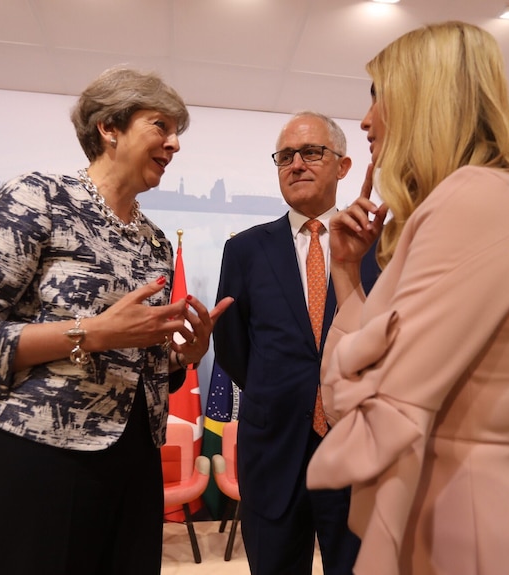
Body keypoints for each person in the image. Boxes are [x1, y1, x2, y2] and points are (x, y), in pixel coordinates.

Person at [0, 67, 232, 575]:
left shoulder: (152, 239)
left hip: (133, 463)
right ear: (109, 127)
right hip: (38, 459)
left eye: (178, 133)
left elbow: (132, 358)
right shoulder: (37, 197)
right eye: (161, 126)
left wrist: (180, 357)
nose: (175, 144)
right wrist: (92, 331)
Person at [305, 21, 509, 575]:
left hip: (461, 524)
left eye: (378, 95)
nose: (366, 119)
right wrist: (350, 273)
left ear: (425, 97)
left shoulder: (478, 197)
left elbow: (372, 402)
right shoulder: (472, 198)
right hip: (441, 510)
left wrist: (353, 369)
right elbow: (363, 382)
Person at [213, 111, 376, 575]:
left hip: (356, 453)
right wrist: (284, 390)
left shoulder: (377, 246)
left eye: (311, 153)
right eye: (285, 156)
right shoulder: (244, 250)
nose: (296, 164)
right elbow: (233, 349)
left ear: (343, 166)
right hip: (273, 453)